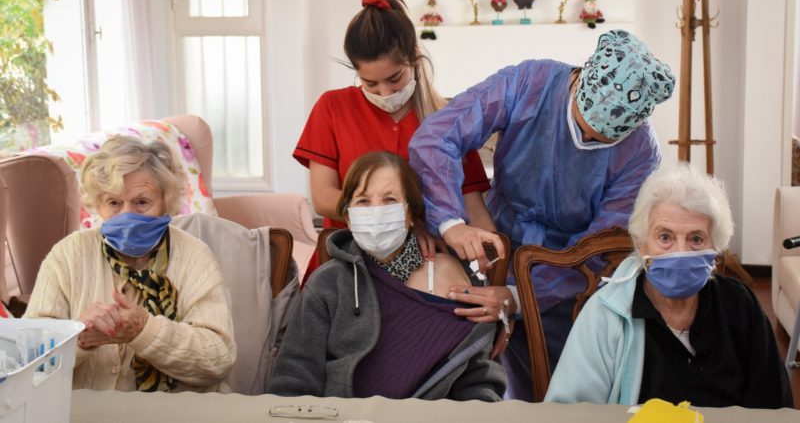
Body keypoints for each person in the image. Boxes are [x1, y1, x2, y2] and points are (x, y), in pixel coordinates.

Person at [408, 29, 675, 400]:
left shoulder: (641, 154)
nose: (587, 140)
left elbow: (597, 250)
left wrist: (520, 297)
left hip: (569, 277)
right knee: (469, 361)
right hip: (495, 241)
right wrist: (452, 222)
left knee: (559, 383)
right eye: (582, 126)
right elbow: (436, 137)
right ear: (579, 81)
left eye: (601, 140)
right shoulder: (528, 83)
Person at [546, 163, 793, 408]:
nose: (680, 252)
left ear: (715, 249)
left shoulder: (741, 305)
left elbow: (775, 407)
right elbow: (568, 411)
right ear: (642, 244)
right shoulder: (605, 315)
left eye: (696, 239)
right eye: (665, 237)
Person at [293, 0, 497, 282]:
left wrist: (497, 271)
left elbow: (473, 208)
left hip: (428, 268)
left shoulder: (447, 121)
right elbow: (324, 197)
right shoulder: (332, 107)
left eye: (394, 78)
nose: (385, 93)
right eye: (370, 83)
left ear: (414, 58)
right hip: (348, 266)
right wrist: (402, 223)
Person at [269, 151, 506, 401]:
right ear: (348, 217)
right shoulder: (328, 283)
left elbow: (479, 377)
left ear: (409, 215)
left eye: (389, 200)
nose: (376, 211)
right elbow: (293, 378)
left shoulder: (453, 276)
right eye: (363, 201)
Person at [24, 136, 236, 392]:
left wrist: (144, 330)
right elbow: (28, 361)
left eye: (142, 202)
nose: (127, 215)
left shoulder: (195, 257)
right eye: (114, 202)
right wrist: (77, 338)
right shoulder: (67, 256)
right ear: (98, 205)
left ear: (166, 203)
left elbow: (219, 358)